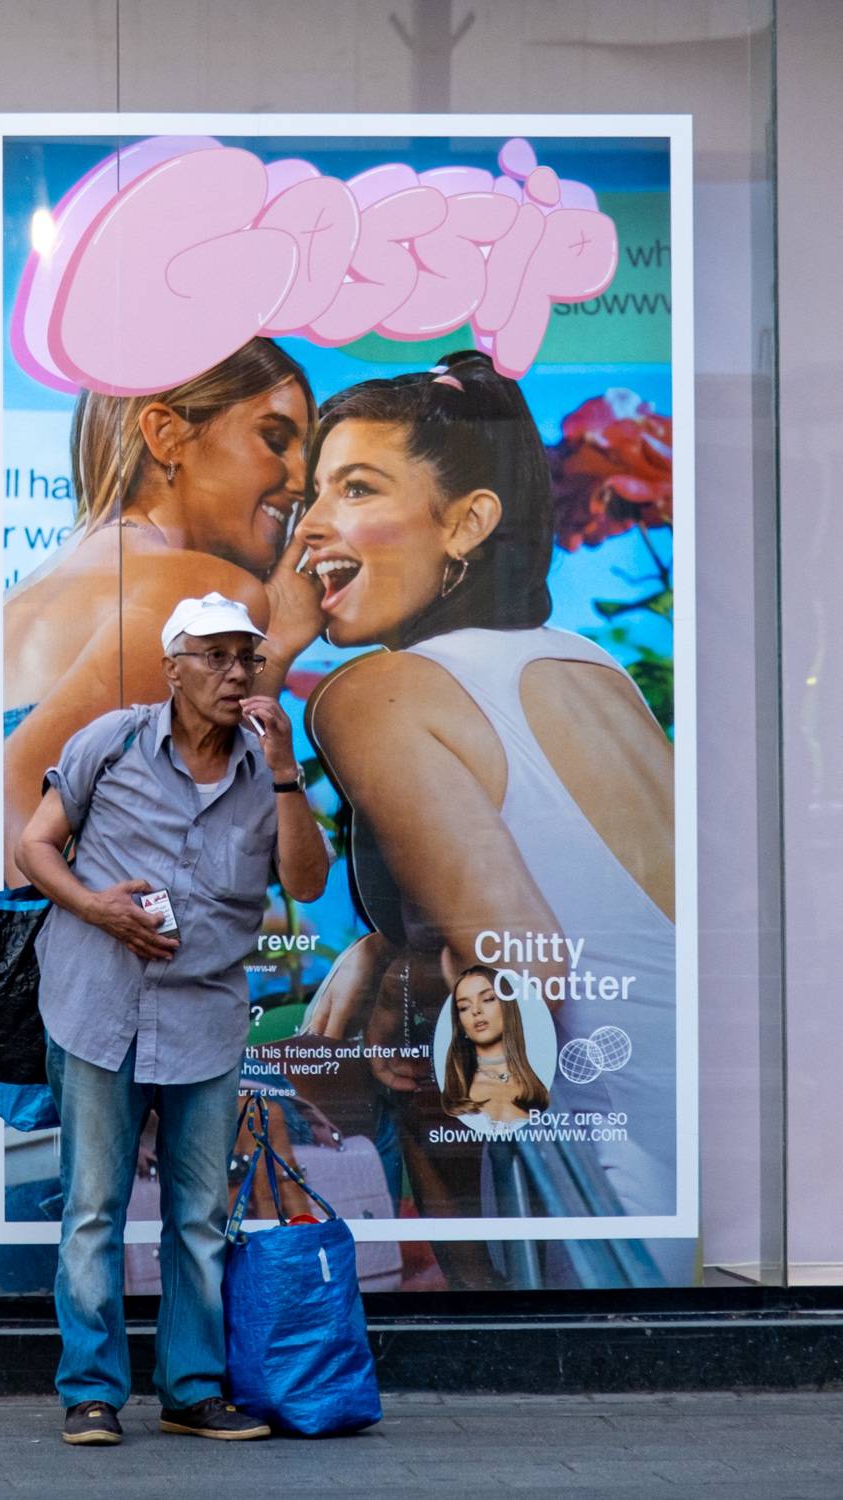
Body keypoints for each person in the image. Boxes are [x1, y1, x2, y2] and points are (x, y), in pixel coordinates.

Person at [0, 338, 321, 1293]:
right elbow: (4, 815)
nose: (301, 477)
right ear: (165, 435)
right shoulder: (190, 591)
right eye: (275, 437)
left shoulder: (31, 598)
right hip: (45, 1087)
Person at [296, 350, 690, 1285]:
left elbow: (523, 967)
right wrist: (383, 953)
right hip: (693, 1187)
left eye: (357, 488)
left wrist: (402, 994)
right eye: (314, 492)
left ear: (468, 523)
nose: (308, 525)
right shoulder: (587, 665)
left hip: (596, 1216)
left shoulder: (378, 692)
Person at [15, 591, 329, 1445]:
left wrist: (287, 768)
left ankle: (192, 1391)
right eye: (215, 656)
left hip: (204, 1021)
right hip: (98, 1008)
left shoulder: (266, 769)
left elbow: (306, 882)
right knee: (93, 1208)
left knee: (199, 1215)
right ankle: (90, 1393)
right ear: (173, 669)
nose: (235, 673)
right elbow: (33, 845)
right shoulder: (112, 743)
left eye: (246, 658)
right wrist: (95, 907)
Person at [442, 966, 549, 1126]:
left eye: (488, 999)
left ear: (508, 1007)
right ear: (460, 1023)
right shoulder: (457, 1091)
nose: (476, 1011)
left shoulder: (537, 1088)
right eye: (464, 1007)